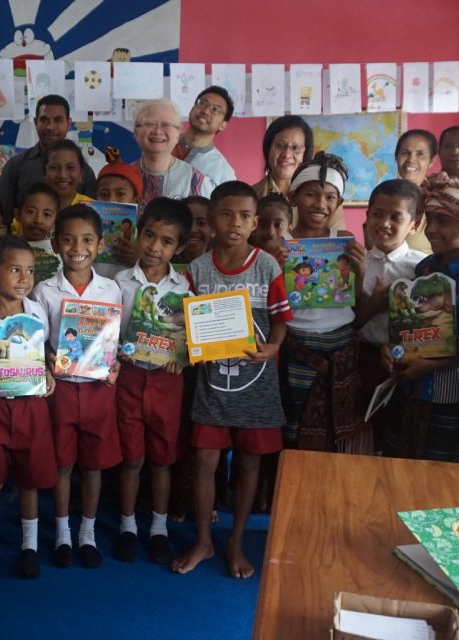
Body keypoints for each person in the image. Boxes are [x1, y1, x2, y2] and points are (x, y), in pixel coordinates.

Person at [172, 181, 291, 579]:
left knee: (249, 462)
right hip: (211, 382)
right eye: (226, 214)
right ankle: (205, 540)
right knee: (205, 460)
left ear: (255, 222)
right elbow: (186, 324)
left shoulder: (267, 265)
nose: (235, 223)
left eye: (244, 216)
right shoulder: (198, 269)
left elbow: (280, 321)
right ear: (211, 220)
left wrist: (273, 348)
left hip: (256, 383)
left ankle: (236, 540)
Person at [385, 174, 459, 460]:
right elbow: (411, 323)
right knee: (402, 462)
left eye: (444, 222)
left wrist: (427, 366)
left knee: (439, 470)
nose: (432, 230)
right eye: (431, 220)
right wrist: (393, 348)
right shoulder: (426, 267)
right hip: (412, 388)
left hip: (451, 395)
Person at [31, 205, 124, 570]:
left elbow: (113, 338)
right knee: (63, 463)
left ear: (100, 245)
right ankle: (63, 533)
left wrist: (114, 359)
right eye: (68, 239)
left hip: (99, 388)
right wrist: (50, 358)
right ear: (56, 244)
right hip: (62, 389)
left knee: (94, 465)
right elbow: (38, 343)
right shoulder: (45, 291)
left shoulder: (111, 288)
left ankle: (87, 532)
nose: (77, 247)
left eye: (86, 240)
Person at [0, 235, 60, 581]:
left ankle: (29, 547)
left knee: (29, 480)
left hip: (31, 405)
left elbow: (43, 355)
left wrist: (48, 373)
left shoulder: (37, 313)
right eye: (15, 270)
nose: (24, 279)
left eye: (30, 271)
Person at [112, 198, 193, 564]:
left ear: (179, 248)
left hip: (166, 383)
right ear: (138, 233)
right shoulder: (119, 283)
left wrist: (184, 357)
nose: (154, 247)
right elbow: (105, 332)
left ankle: (158, 528)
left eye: (166, 241)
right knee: (132, 458)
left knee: (161, 459)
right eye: (149, 235)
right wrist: (116, 351)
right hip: (128, 379)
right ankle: (128, 526)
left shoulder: (186, 290)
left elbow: (192, 341)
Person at [280, 154, 369, 453]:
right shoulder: (279, 245)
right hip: (296, 344)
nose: (320, 204)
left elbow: (353, 301)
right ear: (293, 197)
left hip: (341, 343)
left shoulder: (344, 239)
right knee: (294, 421)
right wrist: (277, 269)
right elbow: (272, 301)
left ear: (339, 203)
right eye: (311, 194)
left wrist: (361, 272)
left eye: (330, 197)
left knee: (338, 425)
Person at [353, 180, 427, 446]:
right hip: (361, 360)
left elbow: (429, 320)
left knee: (397, 435)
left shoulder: (421, 268)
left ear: (414, 224)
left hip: (404, 365)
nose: (384, 223)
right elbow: (348, 319)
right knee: (361, 431)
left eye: (396, 216)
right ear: (367, 215)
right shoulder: (354, 262)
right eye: (377, 214)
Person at [0, 95, 96, 219]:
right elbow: (5, 217)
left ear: (68, 123)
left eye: (58, 120)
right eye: (44, 120)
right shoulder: (15, 166)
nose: (50, 127)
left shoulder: (84, 171)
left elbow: (91, 219)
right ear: (35, 122)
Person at [134, 100, 213, 206]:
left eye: (166, 125)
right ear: (136, 132)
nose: (157, 131)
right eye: (149, 124)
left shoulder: (196, 182)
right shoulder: (121, 177)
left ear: (178, 134)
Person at [173, 86, 238, 185]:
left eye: (216, 109)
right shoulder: (163, 144)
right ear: (191, 110)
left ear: (223, 125)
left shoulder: (223, 172)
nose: (205, 111)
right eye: (202, 103)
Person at [393, 129, 438, 252]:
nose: (411, 159)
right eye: (405, 153)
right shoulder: (386, 196)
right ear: (396, 157)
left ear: (431, 161)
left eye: (420, 154)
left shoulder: (438, 201)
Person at [253, 116, 312, 200]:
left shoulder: (316, 197)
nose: (286, 154)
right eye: (280, 146)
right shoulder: (251, 197)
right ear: (268, 149)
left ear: (304, 154)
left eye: (295, 148)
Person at [15, 183, 63, 284]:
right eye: (31, 212)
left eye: (47, 214)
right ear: (18, 214)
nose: (38, 220)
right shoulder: (7, 248)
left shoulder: (61, 250)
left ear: (56, 219)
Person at [44, 139, 93, 206]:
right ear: (44, 172)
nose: (62, 175)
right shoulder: (33, 206)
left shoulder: (93, 208)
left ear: (81, 173)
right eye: (54, 167)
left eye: (70, 167)